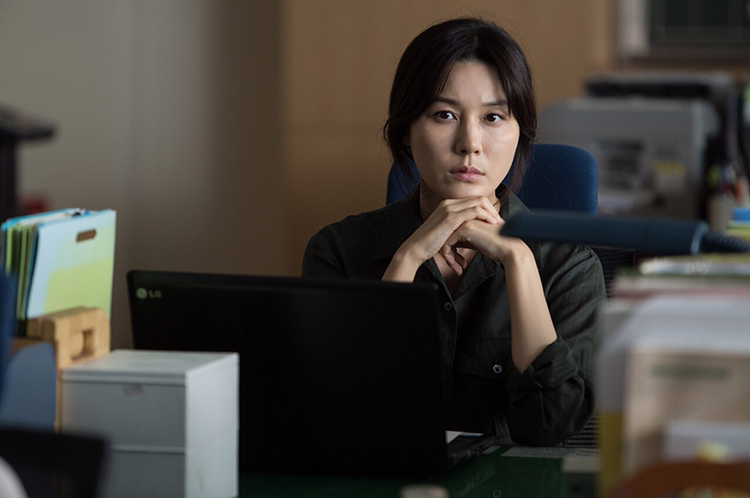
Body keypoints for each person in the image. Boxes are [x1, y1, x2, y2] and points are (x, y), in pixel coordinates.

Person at [302, 17, 606, 446]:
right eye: (444, 115)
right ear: (405, 133)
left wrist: (519, 260)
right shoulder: (336, 251)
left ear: (520, 135)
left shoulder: (569, 265)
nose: (470, 143)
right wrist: (406, 259)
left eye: (493, 117)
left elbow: (550, 425)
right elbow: (337, 409)